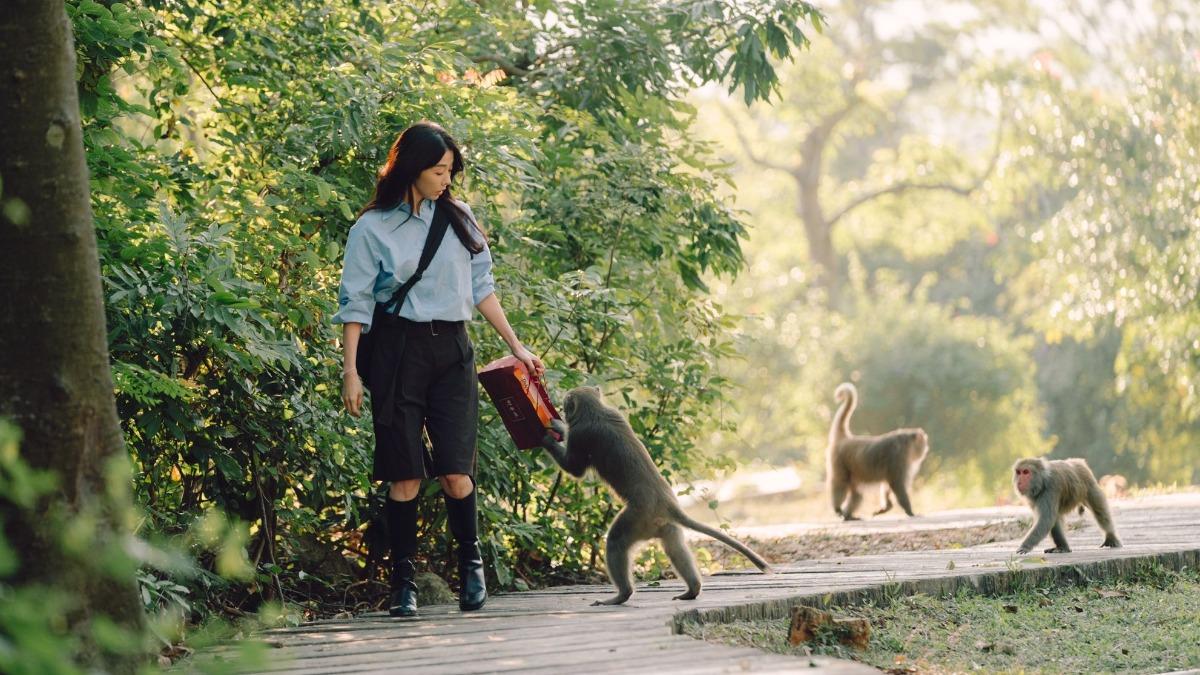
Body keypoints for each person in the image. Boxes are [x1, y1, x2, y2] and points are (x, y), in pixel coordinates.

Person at [333, 121, 545, 617]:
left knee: (455, 471)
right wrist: (350, 371)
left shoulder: (459, 218)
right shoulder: (371, 229)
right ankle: (402, 581)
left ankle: (471, 567)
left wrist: (516, 346)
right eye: (438, 170)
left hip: (453, 352)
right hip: (396, 355)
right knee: (403, 475)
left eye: (451, 171)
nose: (446, 180)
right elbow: (356, 303)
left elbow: (482, 287)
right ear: (411, 169)